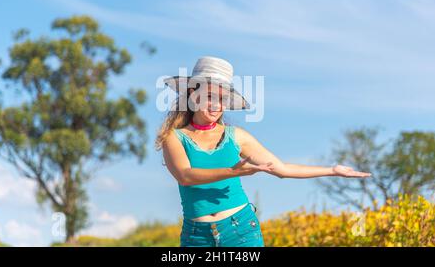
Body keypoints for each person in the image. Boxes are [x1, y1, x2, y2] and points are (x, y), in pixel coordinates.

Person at [155, 56, 371, 247]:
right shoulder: (173, 137)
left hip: (240, 230)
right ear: (193, 94)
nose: (216, 105)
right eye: (211, 96)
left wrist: (332, 170)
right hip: (197, 237)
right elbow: (185, 176)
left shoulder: (236, 136)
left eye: (222, 99)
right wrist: (233, 171)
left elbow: (283, 169)